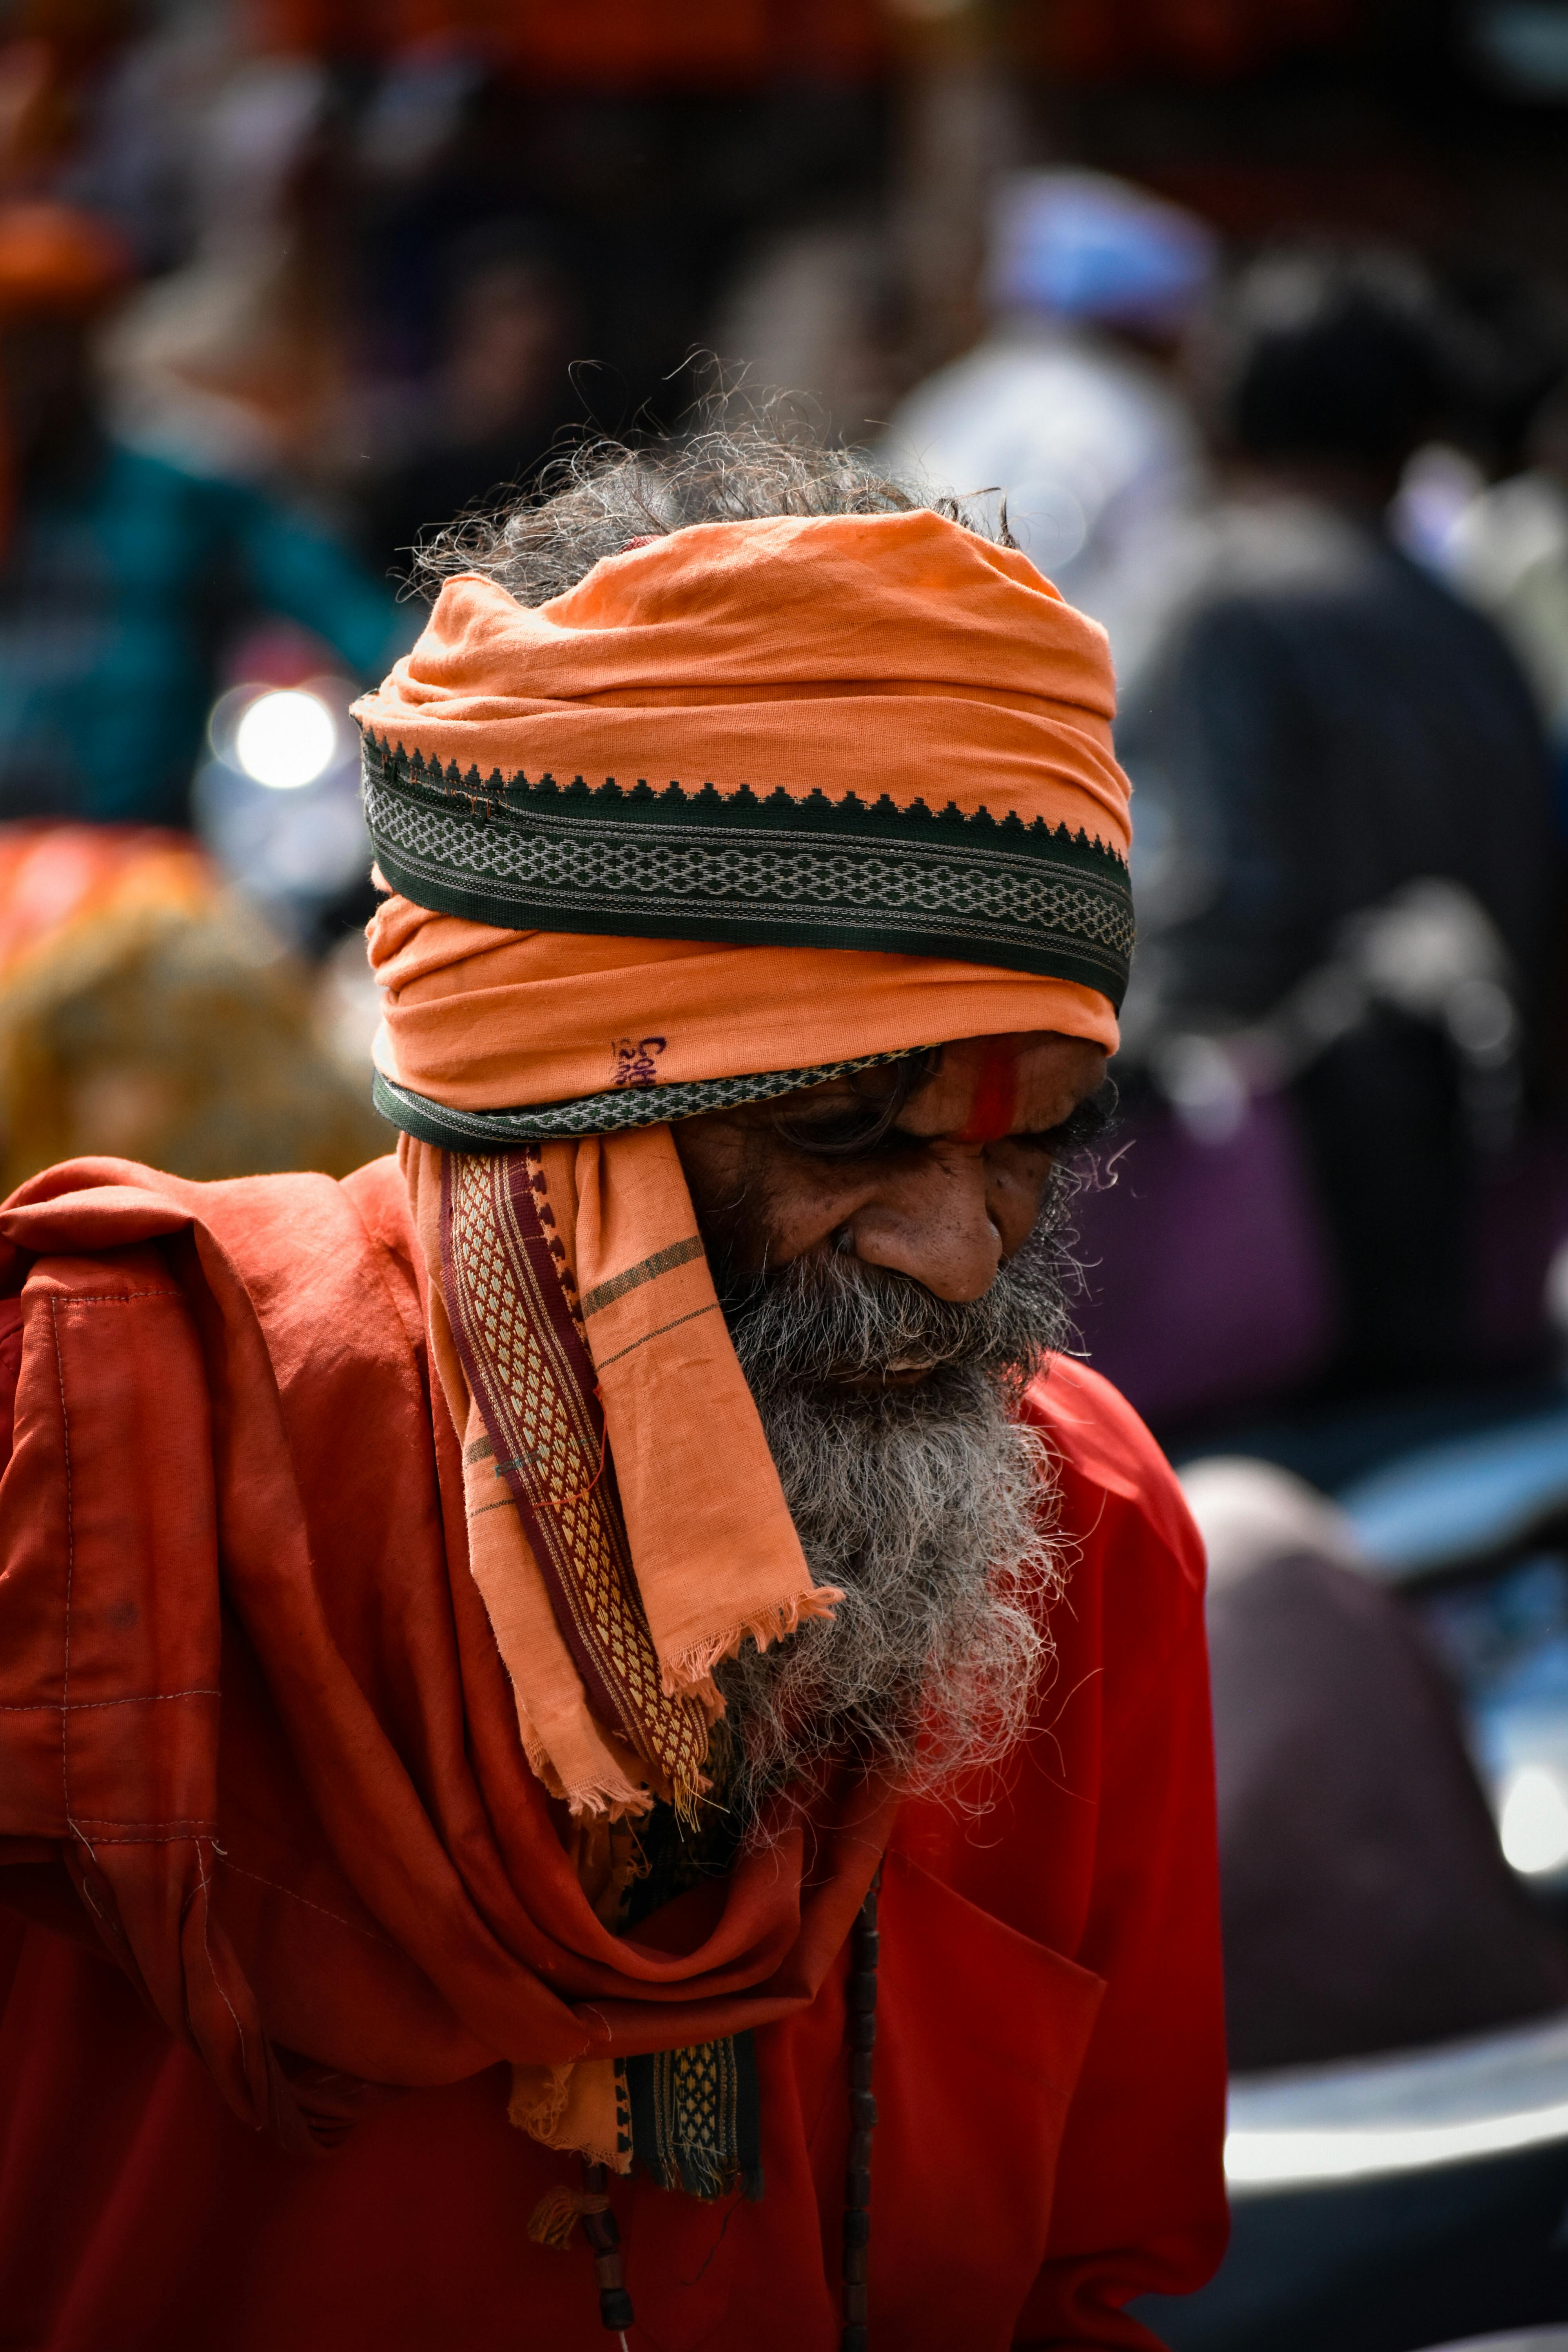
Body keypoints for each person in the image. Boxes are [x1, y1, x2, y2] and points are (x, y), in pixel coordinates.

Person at [0, 432, 1226, 2351]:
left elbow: (1085, 2278)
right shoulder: (77, 1444)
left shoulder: (1089, 1526)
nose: (958, 1253)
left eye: (1028, 1150)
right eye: (840, 1128)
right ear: (548, 1116)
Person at [1119, 250, 1564, 1394]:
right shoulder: (1467, 626)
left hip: (1290, 1209)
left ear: (1231, 409)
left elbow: (1224, 900)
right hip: (1467, 1204)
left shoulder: (1226, 602)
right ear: (1418, 432)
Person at [0, 198, 404, 826]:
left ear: (92, 343)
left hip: (137, 851)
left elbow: (352, 617)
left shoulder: (189, 478)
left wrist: (444, 689)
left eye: (45, 344)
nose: (25, 377)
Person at [882, 168, 1215, 688]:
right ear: (1141, 316)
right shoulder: (1130, 413)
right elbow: (1145, 603)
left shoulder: (952, 396)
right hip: (1052, 717)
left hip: (914, 692)